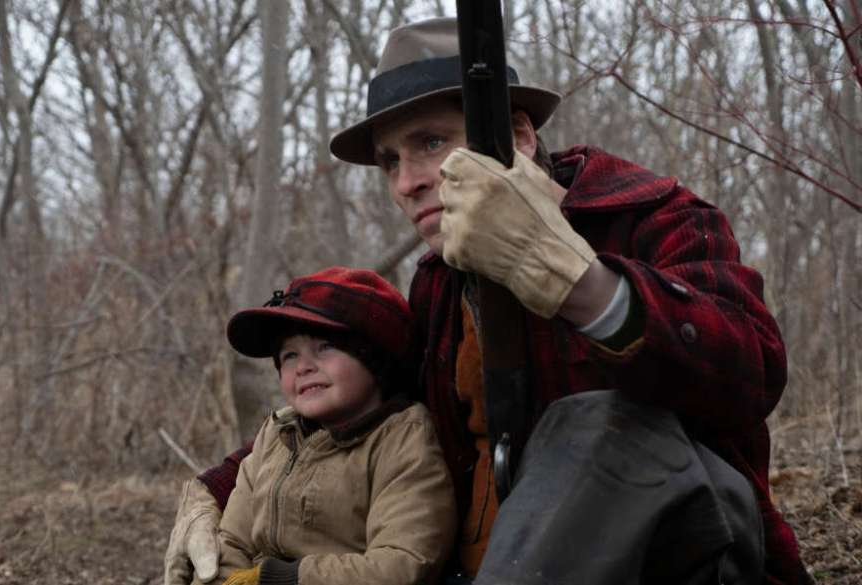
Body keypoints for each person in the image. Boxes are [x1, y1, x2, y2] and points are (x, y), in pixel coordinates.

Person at [165, 17, 810, 585]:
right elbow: (357, 399)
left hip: (680, 560)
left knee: (593, 428)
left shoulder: (652, 218)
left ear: (519, 136)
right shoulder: (437, 283)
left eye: (431, 143)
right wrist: (211, 492)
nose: (407, 182)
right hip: (484, 568)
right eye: (390, 161)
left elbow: (754, 370)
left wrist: (578, 282)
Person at [174, 266, 456, 585]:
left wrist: (283, 579)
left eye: (325, 347)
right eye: (290, 355)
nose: (305, 367)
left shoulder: (403, 440)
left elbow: (403, 563)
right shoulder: (277, 435)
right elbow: (233, 541)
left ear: (375, 358)